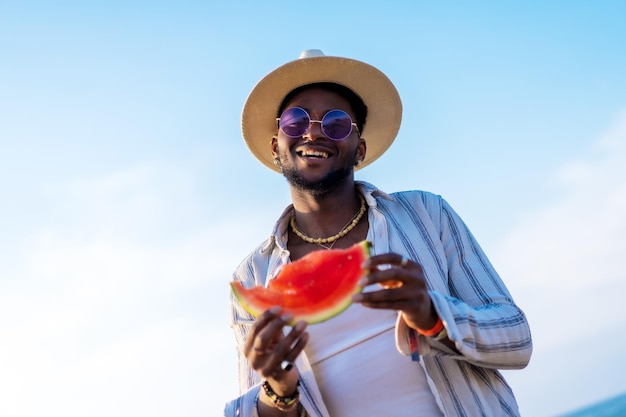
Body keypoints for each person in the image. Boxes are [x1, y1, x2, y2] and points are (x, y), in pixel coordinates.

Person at [224, 49, 532, 417]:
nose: (314, 131)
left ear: (360, 150)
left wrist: (432, 316)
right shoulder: (253, 277)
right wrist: (278, 392)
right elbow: (261, 406)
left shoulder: (426, 214)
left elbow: (517, 339)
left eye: (336, 123)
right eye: (295, 121)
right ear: (277, 147)